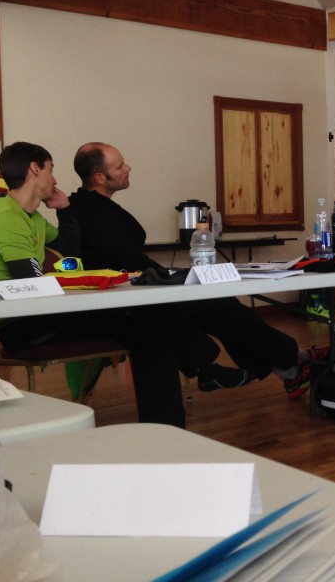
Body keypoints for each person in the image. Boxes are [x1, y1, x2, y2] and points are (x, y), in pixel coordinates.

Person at [67, 142, 319, 399]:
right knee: (220, 307)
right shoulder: (87, 210)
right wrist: (172, 276)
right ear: (99, 177)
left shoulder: (93, 206)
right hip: (127, 298)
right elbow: (127, 260)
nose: (128, 168)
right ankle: (290, 361)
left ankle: (287, 364)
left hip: (141, 285)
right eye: (120, 166)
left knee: (220, 307)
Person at [0, 141, 188, 427]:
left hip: (38, 315)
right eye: (51, 169)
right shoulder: (6, 218)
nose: (55, 179)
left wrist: (66, 209)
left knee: (149, 322)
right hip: (19, 325)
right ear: (35, 169)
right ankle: (166, 421)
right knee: (147, 324)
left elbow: (70, 252)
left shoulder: (29, 217)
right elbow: (31, 283)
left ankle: (165, 422)